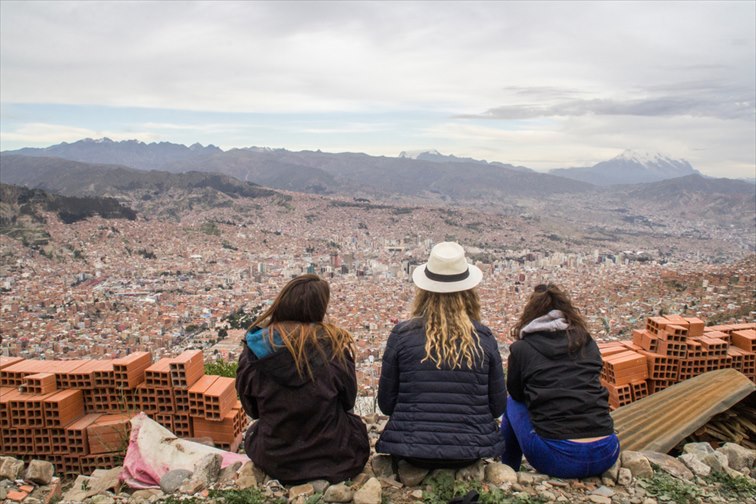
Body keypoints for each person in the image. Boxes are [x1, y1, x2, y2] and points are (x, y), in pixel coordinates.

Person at [376, 242, 506, 468]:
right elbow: (497, 407)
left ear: (424, 292)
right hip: (469, 451)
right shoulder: (483, 338)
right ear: (469, 293)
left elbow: (386, 404)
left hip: (411, 450)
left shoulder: (402, 335)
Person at [235, 274, 369, 484]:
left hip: (275, 458)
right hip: (337, 457)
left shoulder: (254, 352)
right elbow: (348, 402)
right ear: (319, 309)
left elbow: (252, 410)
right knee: (355, 423)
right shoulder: (334, 350)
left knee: (254, 431)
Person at [500, 283, 619, 479]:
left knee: (512, 402)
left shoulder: (522, 348)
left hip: (559, 459)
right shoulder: (586, 341)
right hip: (606, 452)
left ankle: (508, 471)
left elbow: (516, 393)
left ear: (530, 314)